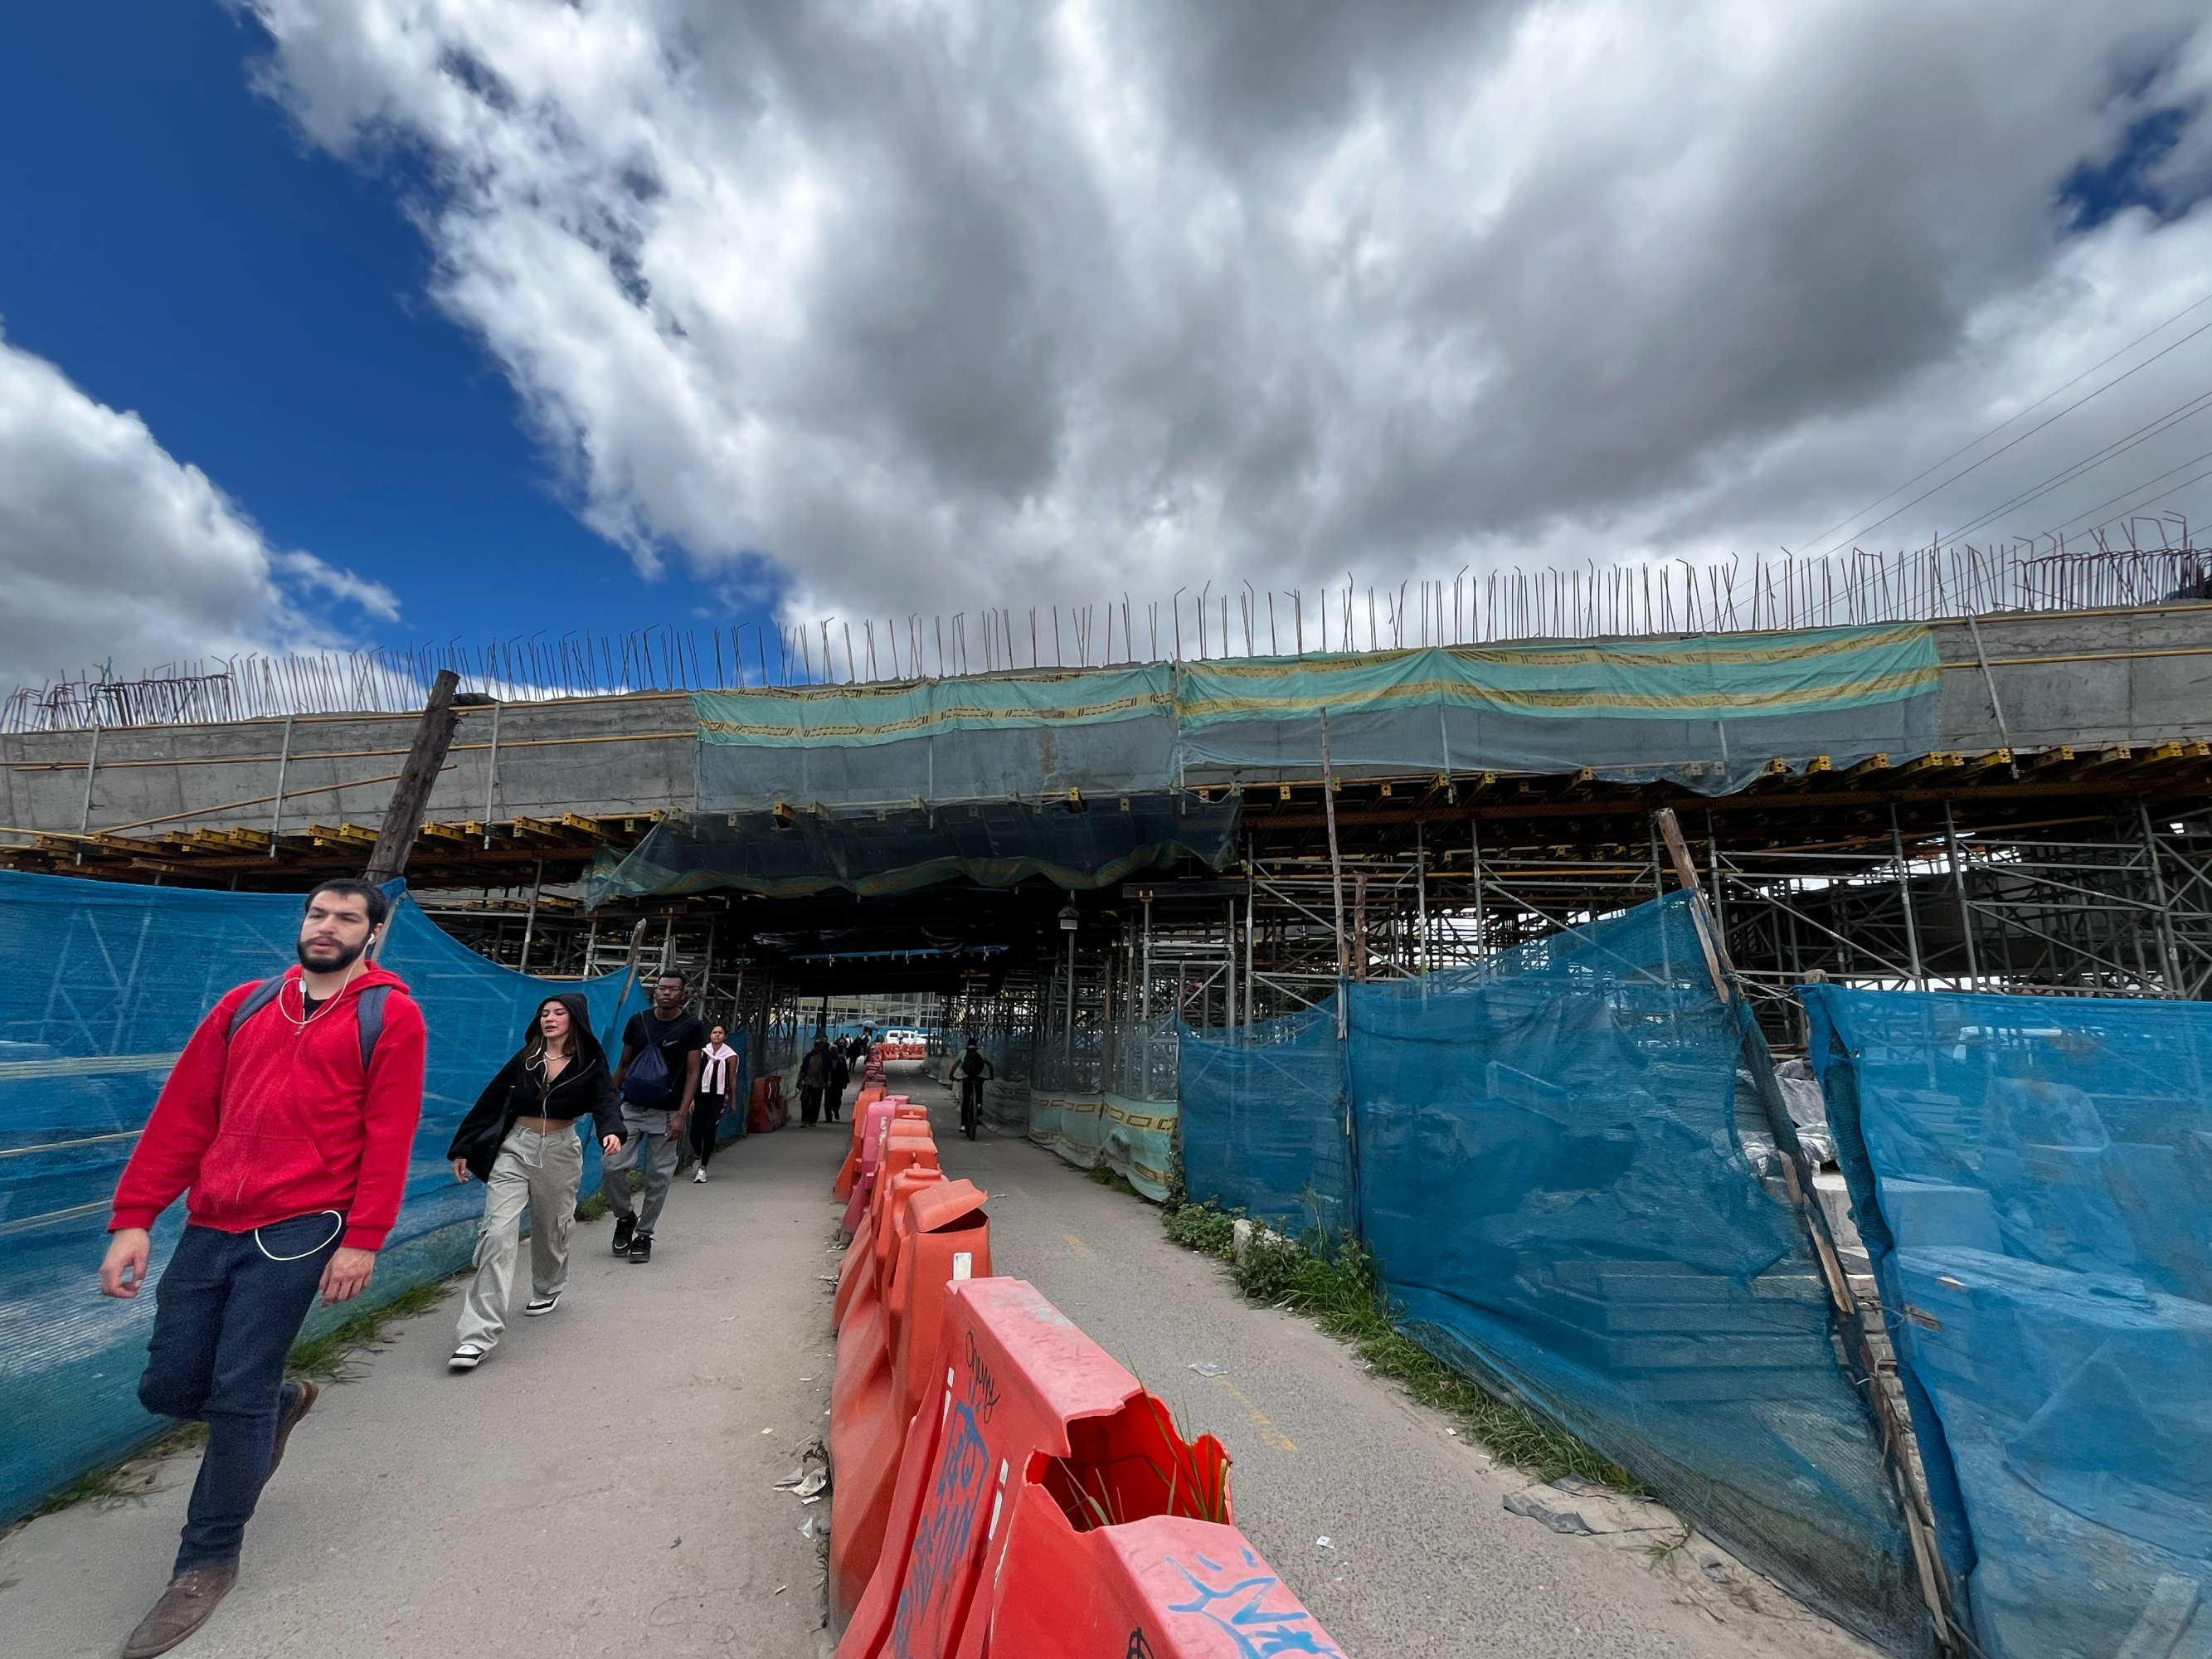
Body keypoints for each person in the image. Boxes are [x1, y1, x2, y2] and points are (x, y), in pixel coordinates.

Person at [98, 879, 426, 1659]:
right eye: (318, 914)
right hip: (212, 1221)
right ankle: (276, 1409)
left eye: (347, 918)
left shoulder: (390, 1016)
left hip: (303, 1228)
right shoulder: (245, 1004)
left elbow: (390, 1133)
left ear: (372, 935)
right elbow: (184, 1114)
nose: (327, 926)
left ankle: (205, 1561)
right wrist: (135, 1218)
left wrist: (364, 1238)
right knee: (168, 1387)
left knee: (236, 1388)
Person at [444, 994, 621, 1370]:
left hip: (560, 1150)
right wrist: (463, 1146)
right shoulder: (526, 1058)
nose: (549, 1018)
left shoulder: (589, 1062)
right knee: (497, 1234)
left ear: (574, 1019)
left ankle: (548, 1285)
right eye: (544, 1013)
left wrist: (611, 1130)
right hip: (515, 1147)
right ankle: (477, 1335)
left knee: (552, 1225)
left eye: (558, 1013)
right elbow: (491, 1100)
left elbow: (606, 1098)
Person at [602, 971, 704, 1264]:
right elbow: (623, 1065)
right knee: (611, 1165)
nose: (666, 993)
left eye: (673, 989)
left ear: (684, 995)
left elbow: (693, 1072)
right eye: (661, 988)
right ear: (654, 991)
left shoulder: (692, 1026)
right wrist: (609, 1105)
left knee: (658, 1177)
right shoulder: (638, 1022)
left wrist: (682, 1115)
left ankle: (644, 1234)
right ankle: (625, 1217)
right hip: (631, 1109)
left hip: (668, 1113)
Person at [690, 1024, 740, 1183]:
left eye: (720, 1033)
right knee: (695, 1132)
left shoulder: (730, 1056)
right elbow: (693, 1075)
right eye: (714, 1032)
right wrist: (690, 1098)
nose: (717, 1035)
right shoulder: (702, 1053)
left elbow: (732, 1078)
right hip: (700, 1095)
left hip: (718, 1097)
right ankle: (697, 1155)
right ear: (710, 1035)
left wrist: (733, 1100)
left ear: (725, 1036)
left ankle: (703, 1168)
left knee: (709, 1130)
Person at [955, 1035, 994, 1141]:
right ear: (976, 1044)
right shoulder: (981, 1052)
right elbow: (990, 1064)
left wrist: (951, 1076)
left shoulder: (963, 1052)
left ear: (967, 1044)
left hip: (967, 1078)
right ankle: (979, 1104)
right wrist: (992, 1076)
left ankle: (963, 1125)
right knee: (979, 1089)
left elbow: (955, 1065)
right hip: (978, 1078)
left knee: (966, 1101)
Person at [798, 1035, 834, 1126]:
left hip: (819, 1082)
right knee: (804, 1100)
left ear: (822, 1046)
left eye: (819, 1045)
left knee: (816, 1102)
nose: (817, 1047)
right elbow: (803, 1069)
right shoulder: (809, 1056)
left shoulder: (826, 1057)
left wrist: (829, 1081)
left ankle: (813, 1120)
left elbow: (829, 1070)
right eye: (816, 1045)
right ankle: (804, 1119)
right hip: (808, 1081)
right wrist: (800, 1080)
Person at [826, 1038, 851, 1124]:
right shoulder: (827, 1059)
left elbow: (844, 1070)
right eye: (832, 1050)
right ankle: (828, 1117)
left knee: (838, 1099)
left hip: (838, 1082)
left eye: (835, 1050)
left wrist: (845, 1081)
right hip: (829, 1082)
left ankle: (836, 1110)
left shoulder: (841, 1059)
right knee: (828, 1100)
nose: (834, 1052)